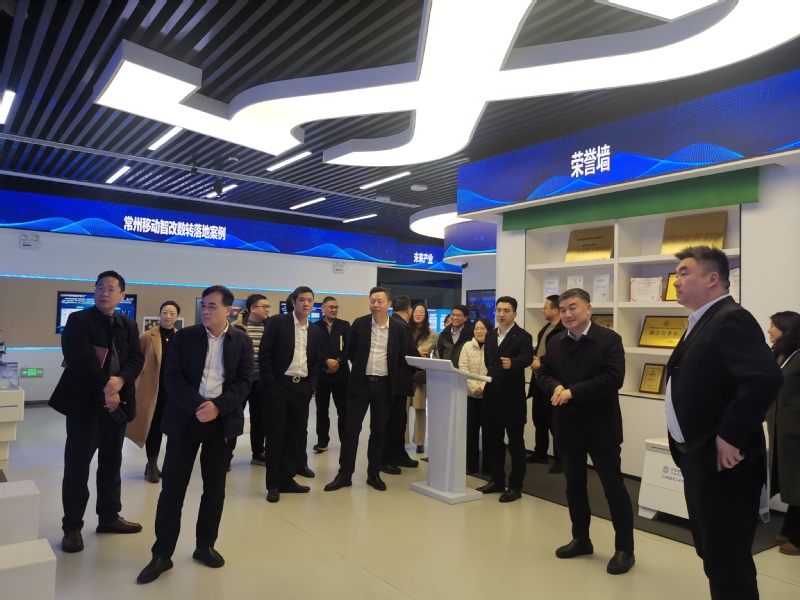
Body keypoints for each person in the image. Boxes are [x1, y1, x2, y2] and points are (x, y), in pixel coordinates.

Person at [665, 246, 782, 598]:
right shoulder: (702, 320)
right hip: (699, 457)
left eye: (685, 273)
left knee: (727, 559)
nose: (676, 281)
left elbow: (764, 378)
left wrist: (730, 435)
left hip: (725, 463)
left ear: (712, 278)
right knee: (714, 553)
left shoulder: (731, 318)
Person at [137, 285, 253, 584]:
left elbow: (244, 381)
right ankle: (162, 553)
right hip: (185, 420)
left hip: (221, 423)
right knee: (172, 490)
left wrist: (218, 407)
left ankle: (205, 545)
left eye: (213, 306)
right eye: (204, 305)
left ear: (229, 310)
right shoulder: (185, 336)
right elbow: (172, 378)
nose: (206, 310)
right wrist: (200, 406)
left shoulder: (240, 340)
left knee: (215, 489)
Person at [537, 288, 634, 575]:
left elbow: (613, 378)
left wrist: (573, 392)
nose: (567, 314)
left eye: (573, 308)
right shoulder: (556, 342)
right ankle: (581, 539)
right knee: (574, 487)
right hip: (567, 426)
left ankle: (625, 549)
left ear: (589, 309)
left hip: (601, 427)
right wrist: (555, 387)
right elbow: (543, 372)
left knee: (614, 489)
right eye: (563, 309)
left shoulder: (609, 339)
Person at [50, 270, 145, 553]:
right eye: (100, 287)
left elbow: (137, 358)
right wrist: (108, 388)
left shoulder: (128, 325)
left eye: (111, 288)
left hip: (118, 406)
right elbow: (78, 359)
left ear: (122, 295)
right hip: (85, 406)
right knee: (77, 467)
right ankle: (72, 528)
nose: (104, 292)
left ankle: (109, 517)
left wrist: (120, 382)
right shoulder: (79, 320)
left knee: (112, 463)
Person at [324, 287, 417, 492]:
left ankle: (373, 474)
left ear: (389, 304)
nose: (375, 305)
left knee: (379, 431)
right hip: (361, 384)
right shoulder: (360, 323)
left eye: (380, 301)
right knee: (351, 430)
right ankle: (344, 474)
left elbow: (401, 357)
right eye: (372, 301)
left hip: (385, 386)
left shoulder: (398, 329)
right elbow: (351, 351)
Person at [260, 286, 321, 502]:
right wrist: (270, 383)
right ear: (293, 302)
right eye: (302, 300)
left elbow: (316, 360)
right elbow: (264, 354)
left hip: (301, 388)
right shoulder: (278, 322)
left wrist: (311, 385)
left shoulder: (314, 330)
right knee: (275, 436)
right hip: (278, 387)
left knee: (293, 437)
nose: (306, 303)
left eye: (310, 300)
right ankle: (273, 484)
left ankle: (287, 480)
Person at [476, 296, 533, 503]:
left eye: (506, 311)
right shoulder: (491, 334)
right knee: (494, 442)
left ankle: (515, 486)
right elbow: (488, 361)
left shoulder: (523, 336)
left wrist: (513, 363)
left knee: (516, 445)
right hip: (492, 395)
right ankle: (497, 480)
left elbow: (528, 358)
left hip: (512, 398)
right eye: (498, 310)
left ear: (515, 313)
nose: (501, 314)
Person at [128, 300, 181, 483]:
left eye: (172, 313)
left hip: (174, 390)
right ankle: (151, 464)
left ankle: (170, 465)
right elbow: (136, 361)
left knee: (174, 428)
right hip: (152, 388)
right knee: (154, 426)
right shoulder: (146, 336)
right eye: (165, 312)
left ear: (177, 317)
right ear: (159, 315)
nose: (168, 316)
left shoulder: (182, 337)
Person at [767, 311, 800, 556]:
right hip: (783, 429)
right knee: (791, 481)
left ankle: (798, 539)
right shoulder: (781, 354)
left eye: (773, 326)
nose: (769, 330)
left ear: (786, 329)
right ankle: (790, 529)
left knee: (798, 481)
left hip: (796, 430)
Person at [527, 295, 565, 473]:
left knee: (554, 422)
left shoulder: (563, 330)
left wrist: (541, 362)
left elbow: (559, 356)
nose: (543, 310)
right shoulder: (545, 328)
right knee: (539, 418)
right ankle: (540, 452)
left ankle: (560, 459)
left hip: (553, 382)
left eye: (546, 307)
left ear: (555, 310)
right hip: (538, 380)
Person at [232, 293, 270, 466]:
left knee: (260, 419)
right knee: (234, 417)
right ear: (253, 308)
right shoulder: (237, 327)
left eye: (268, 306)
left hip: (261, 381)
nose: (268, 309)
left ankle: (258, 453)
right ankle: (226, 455)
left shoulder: (270, 327)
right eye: (264, 306)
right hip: (240, 381)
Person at [381, 295, 418, 474]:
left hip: (392, 381)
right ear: (409, 310)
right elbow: (410, 352)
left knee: (399, 420)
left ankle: (398, 454)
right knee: (394, 422)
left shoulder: (392, 322)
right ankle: (387, 458)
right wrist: (420, 356)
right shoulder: (402, 326)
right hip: (398, 381)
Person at [312, 296, 350, 453]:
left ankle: (345, 441)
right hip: (322, 375)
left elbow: (349, 348)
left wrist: (338, 362)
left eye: (336, 307)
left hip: (341, 376)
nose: (334, 310)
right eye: (331, 307)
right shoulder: (315, 327)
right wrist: (326, 361)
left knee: (344, 410)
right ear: (323, 308)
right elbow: (313, 349)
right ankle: (322, 441)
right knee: (321, 411)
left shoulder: (344, 325)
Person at [458, 317, 493, 475]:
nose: (479, 331)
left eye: (483, 329)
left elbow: (494, 370)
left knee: (489, 433)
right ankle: (471, 466)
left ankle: (488, 467)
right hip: (470, 396)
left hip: (488, 397)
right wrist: (474, 387)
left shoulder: (494, 346)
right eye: (477, 328)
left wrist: (483, 387)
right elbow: (463, 369)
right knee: (470, 432)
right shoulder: (467, 346)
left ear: (489, 331)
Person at [407, 304, 435, 454]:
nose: (418, 314)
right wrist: (415, 351)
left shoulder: (430, 333)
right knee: (402, 409)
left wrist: (410, 351)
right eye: (416, 312)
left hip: (420, 375)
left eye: (421, 312)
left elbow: (425, 350)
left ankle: (419, 442)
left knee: (420, 409)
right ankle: (401, 440)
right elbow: (413, 351)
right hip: (405, 374)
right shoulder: (405, 329)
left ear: (425, 315)